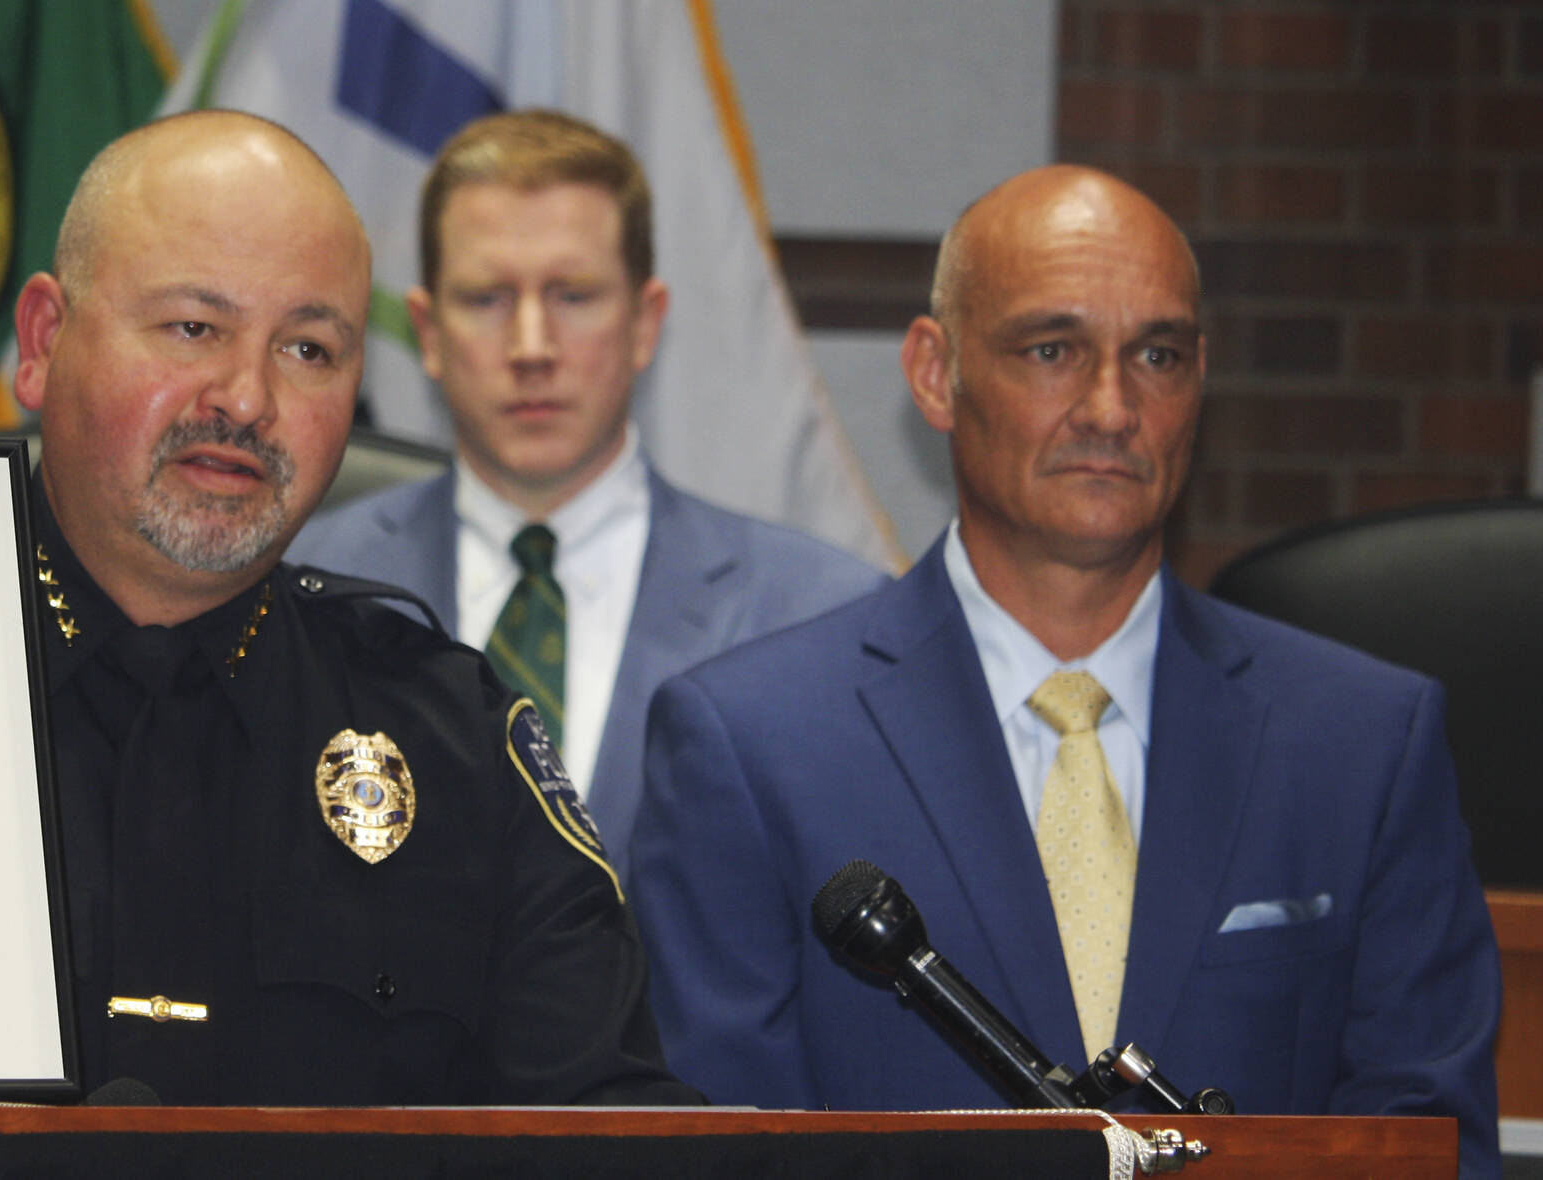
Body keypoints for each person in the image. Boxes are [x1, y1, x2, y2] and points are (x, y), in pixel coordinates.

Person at [627, 165, 1501, 1176]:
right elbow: (722, 1157)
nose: (1110, 406)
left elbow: (1424, 1146)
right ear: (931, 373)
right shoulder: (746, 742)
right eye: (1052, 350)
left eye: (1157, 356)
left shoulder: (1361, 742)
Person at [10, 110, 699, 1106]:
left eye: (307, 350)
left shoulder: (453, 734)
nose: (245, 398)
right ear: (43, 341)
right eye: (193, 327)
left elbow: (606, 1124)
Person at [290, 110, 884, 855]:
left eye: (573, 296)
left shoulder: (817, 616)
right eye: (486, 299)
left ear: (645, 321)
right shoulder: (300, 593)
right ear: (429, 334)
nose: (532, 347)